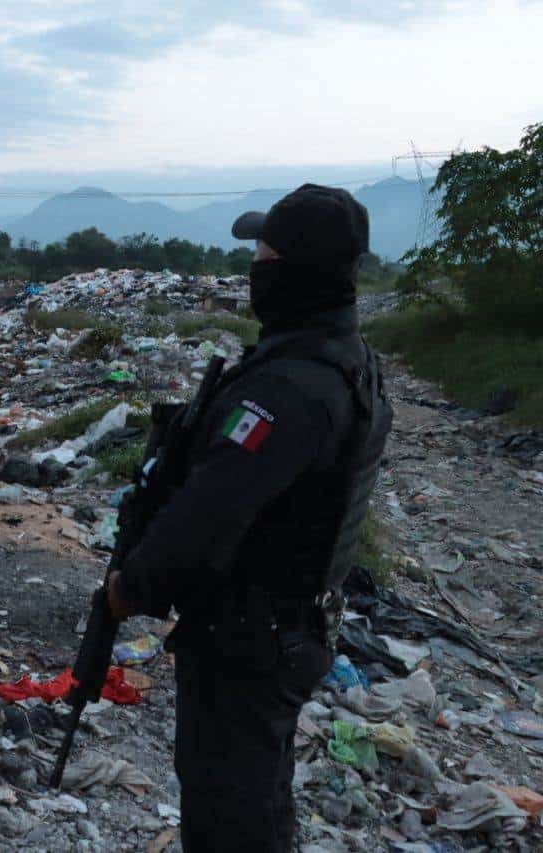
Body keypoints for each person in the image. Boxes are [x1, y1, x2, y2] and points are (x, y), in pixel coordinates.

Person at [105, 184, 393, 852]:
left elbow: (207, 513)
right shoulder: (347, 364)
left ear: (293, 273)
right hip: (291, 624)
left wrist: (130, 587)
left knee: (231, 813)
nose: (252, 269)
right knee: (258, 796)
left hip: (250, 639)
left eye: (262, 255)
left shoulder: (289, 389)